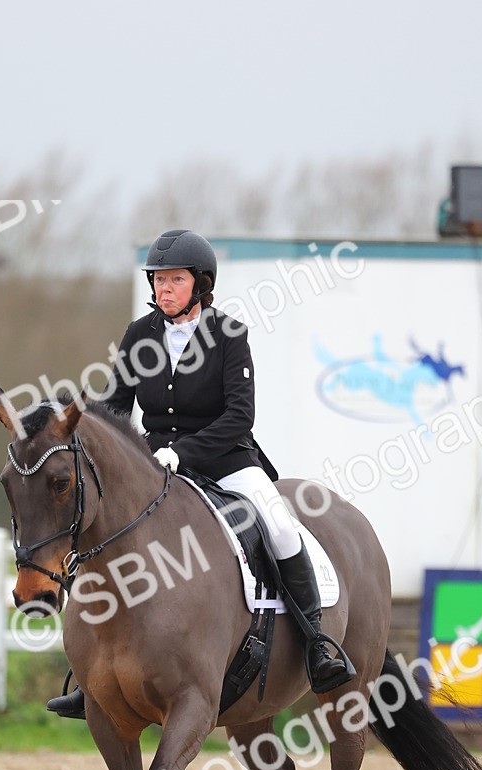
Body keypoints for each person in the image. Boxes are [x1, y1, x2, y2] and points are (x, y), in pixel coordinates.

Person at [47, 229, 351, 719]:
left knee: (279, 527)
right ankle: (93, 676)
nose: (164, 289)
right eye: (158, 280)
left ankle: (318, 643)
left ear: (201, 284)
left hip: (226, 462)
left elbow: (239, 416)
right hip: (152, 467)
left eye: (175, 280)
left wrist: (183, 452)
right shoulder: (139, 336)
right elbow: (115, 409)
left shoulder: (229, 335)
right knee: (100, 532)